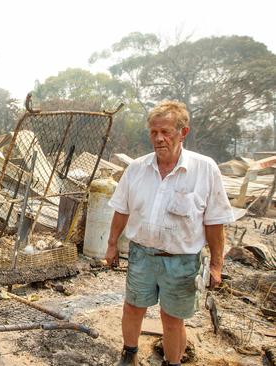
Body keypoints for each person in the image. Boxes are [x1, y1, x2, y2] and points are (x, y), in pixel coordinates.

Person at [106, 101, 234, 366]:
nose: (159, 138)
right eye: (154, 132)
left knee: (172, 318)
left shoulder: (205, 169)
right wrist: (111, 245)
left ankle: (172, 363)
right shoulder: (137, 169)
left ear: (183, 132)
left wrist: (217, 265)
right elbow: (121, 210)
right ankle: (129, 354)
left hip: (182, 260)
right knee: (133, 307)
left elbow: (215, 223)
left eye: (166, 132)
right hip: (141, 254)